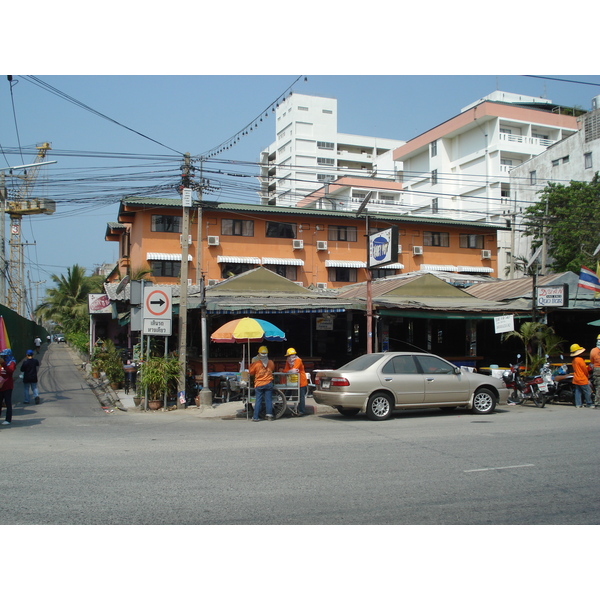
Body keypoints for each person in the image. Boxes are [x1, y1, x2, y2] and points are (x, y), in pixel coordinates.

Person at [249, 345, 275, 421]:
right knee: (268, 400)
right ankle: (269, 415)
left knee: (258, 400)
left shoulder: (257, 363)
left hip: (259, 384)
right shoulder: (270, 362)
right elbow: (272, 369)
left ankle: (256, 417)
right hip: (268, 383)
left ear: (259, 354)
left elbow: (251, 372)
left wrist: (251, 364)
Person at [282, 347, 308, 415]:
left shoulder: (298, 360)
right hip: (291, 382)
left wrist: (289, 371)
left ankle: (301, 411)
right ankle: (279, 407)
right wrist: (289, 371)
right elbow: (285, 370)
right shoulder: (288, 361)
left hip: (301, 382)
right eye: (288, 356)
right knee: (286, 395)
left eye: (291, 356)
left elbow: (295, 369)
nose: (290, 358)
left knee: (300, 397)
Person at [570, 343, 593, 408]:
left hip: (576, 378)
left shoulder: (573, 360)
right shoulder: (580, 359)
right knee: (587, 391)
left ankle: (578, 404)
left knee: (578, 392)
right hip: (582, 378)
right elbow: (584, 369)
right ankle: (589, 403)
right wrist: (587, 375)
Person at [0, 348, 16, 425]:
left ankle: (8, 419)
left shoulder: (11, 363)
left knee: (8, 403)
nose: (3, 358)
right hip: (1, 386)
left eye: (5, 356)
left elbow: (10, 371)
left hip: (7, 386)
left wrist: (3, 364)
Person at [589, 334, 600, 407]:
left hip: (596, 370)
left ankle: (597, 402)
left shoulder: (593, 350)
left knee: (598, 387)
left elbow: (592, 362)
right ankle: (597, 402)